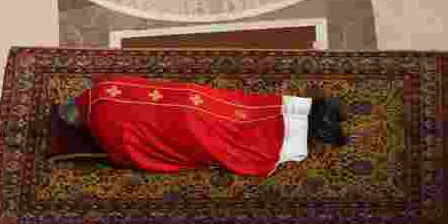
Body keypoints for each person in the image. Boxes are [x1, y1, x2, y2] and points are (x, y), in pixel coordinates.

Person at [60, 75, 345, 177]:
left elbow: (130, 153)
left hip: (183, 127)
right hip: (188, 97)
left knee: (233, 139)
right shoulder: (103, 86)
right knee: (241, 108)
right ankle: (308, 109)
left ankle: (302, 133)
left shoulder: (100, 123)